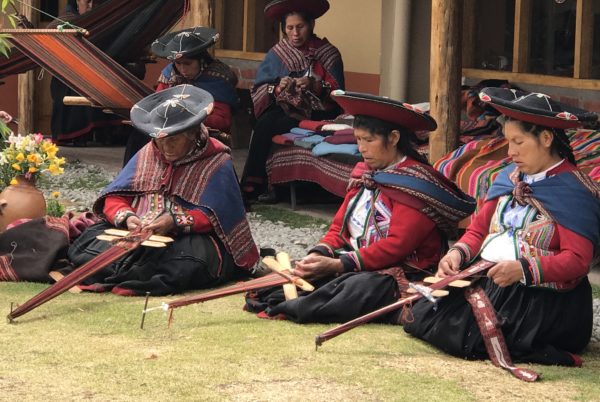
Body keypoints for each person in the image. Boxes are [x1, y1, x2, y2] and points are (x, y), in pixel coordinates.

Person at [404, 87, 600, 367]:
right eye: (508, 141)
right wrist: (457, 254)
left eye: (519, 142)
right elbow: (477, 231)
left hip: (546, 299)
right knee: (422, 314)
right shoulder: (510, 178)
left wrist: (522, 268)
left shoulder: (572, 192)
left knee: (463, 337)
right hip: (495, 279)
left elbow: (578, 261)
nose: (510, 151)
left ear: (546, 138)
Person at [245, 91, 476, 323]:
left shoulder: (416, 184)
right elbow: (339, 228)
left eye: (369, 140)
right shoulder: (365, 176)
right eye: (358, 140)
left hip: (403, 271)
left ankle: (303, 304)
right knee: (286, 282)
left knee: (356, 288)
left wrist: (339, 264)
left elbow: (397, 246)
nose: (362, 148)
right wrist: (319, 254)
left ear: (394, 138)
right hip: (358, 263)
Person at [65, 85, 259, 296]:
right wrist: (127, 217)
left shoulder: (217, 161)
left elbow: (218, 216)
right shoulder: (149, 152)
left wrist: (174, 221)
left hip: (189, 238)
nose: (166, 148)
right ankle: (131, 273)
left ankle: (130, 274)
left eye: (174, 140)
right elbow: (115, 198)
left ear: (193, 134)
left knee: (188, 263)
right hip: (136, 230)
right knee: (85, 247)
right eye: (161, 140)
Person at [240, 0, 345, 203]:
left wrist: (315, 86)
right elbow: (261, 89)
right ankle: (255, 184)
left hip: (320, 112)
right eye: (290, 28)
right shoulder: (277, 54)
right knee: (267, 122)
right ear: (284, 29)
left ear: (312, 25)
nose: (295, 33)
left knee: (270, 123)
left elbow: (339, 94)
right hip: (286, 110)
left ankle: (257, 185)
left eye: (300, 27)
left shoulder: (329, 54)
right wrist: (279, 86)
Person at [123, 27, 239, 164]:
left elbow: (223, 121)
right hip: (167, 128)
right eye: (178, 63)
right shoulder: (169, 74)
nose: (182, 69)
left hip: (201, 131)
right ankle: (133, 176)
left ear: (201, 60)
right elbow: (157, 105)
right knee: (138, 135)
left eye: (188, 63)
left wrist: (190, 120)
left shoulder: (217, 78)